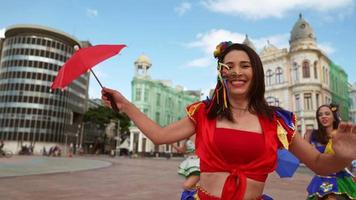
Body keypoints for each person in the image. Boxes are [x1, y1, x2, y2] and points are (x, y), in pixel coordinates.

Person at [101, 41, 356, 200]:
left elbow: (320, 164)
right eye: (229, 66)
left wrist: (343, 155)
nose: (236, 71)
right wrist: (125, 105)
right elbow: (159, 135)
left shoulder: (277, 122)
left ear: (256, 72)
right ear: (221, 73)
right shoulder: (204, 113)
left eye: (245, 65)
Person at [304, 104, 356, 200]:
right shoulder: (313, 135)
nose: (323, 116)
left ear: (334, 118)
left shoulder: (342, 135)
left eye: (327, 114)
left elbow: (350, 162)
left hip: (342, 179)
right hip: (322, 179)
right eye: (320, 115)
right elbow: (309, 159)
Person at [171, 135, 200, 200]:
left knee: (187, 185)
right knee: (192, 186)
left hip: (198, 163)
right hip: (189, 164)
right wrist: (173, 144)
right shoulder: (187, 137)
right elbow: (182, 150)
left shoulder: (203, 134)